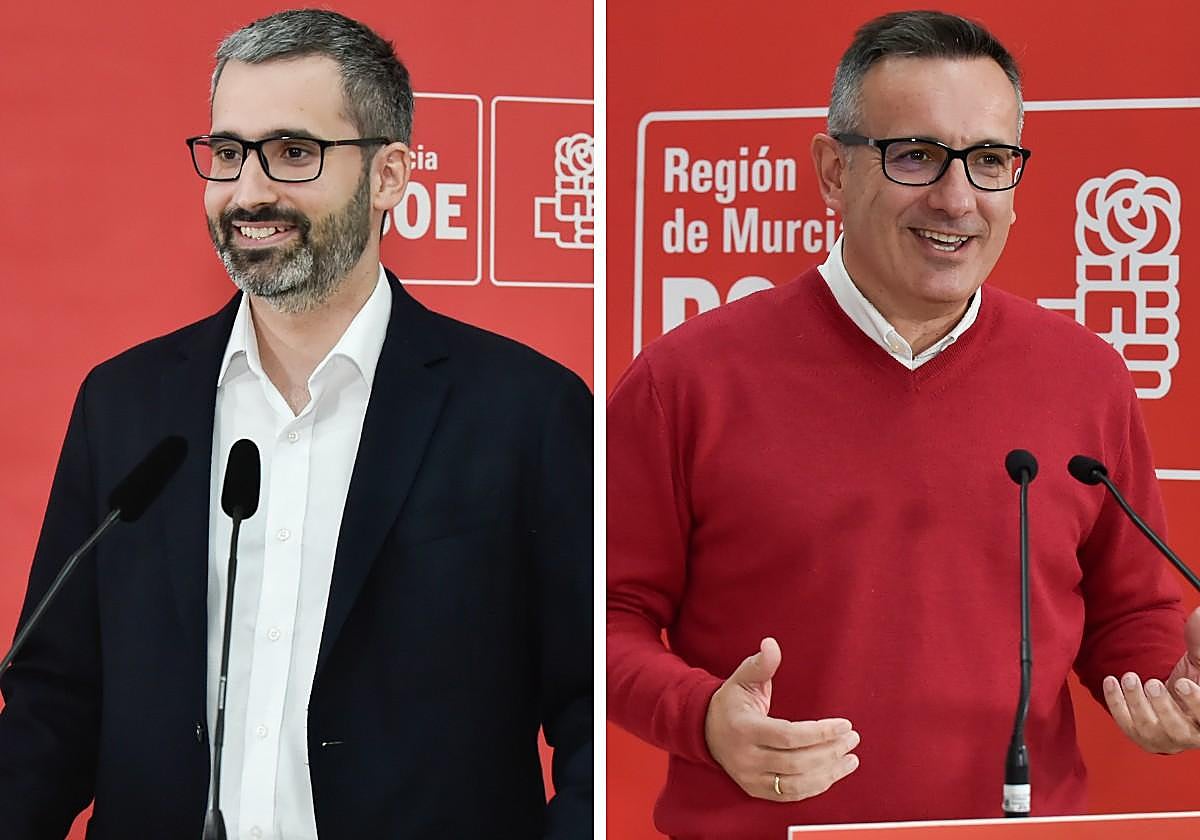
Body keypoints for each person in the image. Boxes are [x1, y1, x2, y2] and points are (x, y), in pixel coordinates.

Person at [607, 10, 1200, 839]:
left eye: (990, 161)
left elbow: (1128, 616)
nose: (957, 199)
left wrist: (1168, 686)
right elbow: (600, 615)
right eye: (915, 155)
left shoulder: (1086, 375)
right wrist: (703, 716)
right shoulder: (685, 379)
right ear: (832, 171)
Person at [0, 9, 592, 839]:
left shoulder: (526, 411)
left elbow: (591, 707)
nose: (248, 192)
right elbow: (54, 700)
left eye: (293, 152)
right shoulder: (125, 405)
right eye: (230, 153)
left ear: (389, 176)